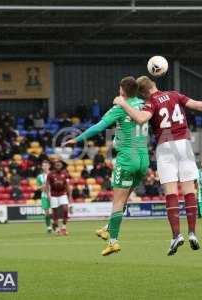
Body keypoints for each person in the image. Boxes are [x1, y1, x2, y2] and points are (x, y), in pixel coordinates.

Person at [113, 75, 202, 255]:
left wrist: (123, 103)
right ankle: (193, 233)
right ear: (154, 84)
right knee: (189, 191)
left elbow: (141, 119)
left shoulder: (151, 102)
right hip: (184, 144)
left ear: (142, 93)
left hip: (165, 147)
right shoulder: (174, 95)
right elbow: (200, 105)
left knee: (171, 192)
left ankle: (176, 235)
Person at [64, 76, 149, 256]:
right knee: (124, 199)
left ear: (122, 91)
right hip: (144, 159)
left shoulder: (119, 108)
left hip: (127, 158)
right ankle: (107, 228)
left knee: (117, 201)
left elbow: (98, 127)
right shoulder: (145, 105)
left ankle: (113, 241)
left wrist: (77, 139)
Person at [46, 157, 72, 236]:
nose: (58, 164)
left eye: (59, 163)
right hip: (53, 195)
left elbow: (67, 186)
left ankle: (64, 227)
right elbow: (47, 185)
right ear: (54, 165)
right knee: (55, 212)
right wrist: (48, 195)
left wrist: (70, 196)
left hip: (62, 194)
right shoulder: (50, 174)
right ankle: (57, 229)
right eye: (56, 164)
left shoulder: (65, 173)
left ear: (61, 165)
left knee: (65, 208)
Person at [36, 160, 52, 233]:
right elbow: (38, 187)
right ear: (42, 167)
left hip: (53, 195)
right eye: (43, 166)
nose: (45, 167)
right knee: (46, 212)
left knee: (55, 212)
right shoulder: (39, 176)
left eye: (46, 165)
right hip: (44, 195)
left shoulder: (53, 174)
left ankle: (56, 226)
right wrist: (42, 186)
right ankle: (49, 227)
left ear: (49, 166)